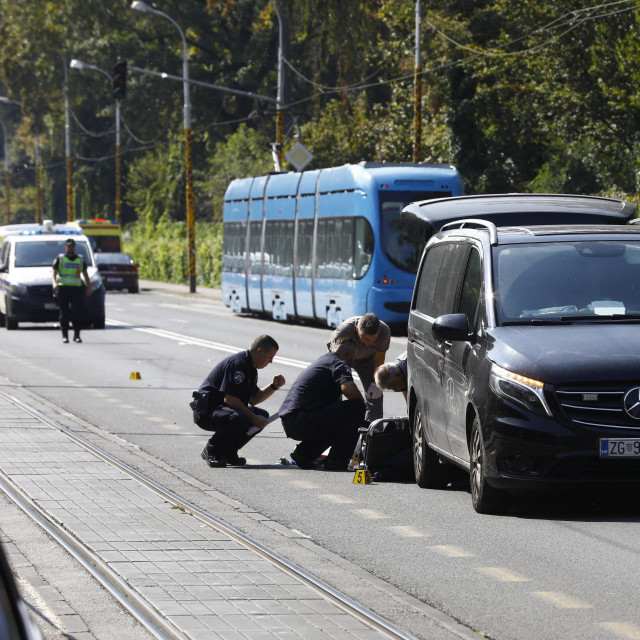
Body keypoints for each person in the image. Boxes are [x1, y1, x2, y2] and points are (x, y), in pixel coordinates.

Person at [193, 335, 285, 468]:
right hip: (207, 411)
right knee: (240, 417)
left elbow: (253, 399)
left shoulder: (250, 368)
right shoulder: (238, 364)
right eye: (270, 357)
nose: (270, 361)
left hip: (224, 410)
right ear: (259, 351)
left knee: (262, 416)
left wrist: (273, 386)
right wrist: (253, 418)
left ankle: (229, 452)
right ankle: (212, 450)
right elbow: (230, 399)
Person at [279, 338, 366, 471]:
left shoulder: (325, 360)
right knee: (357, 407)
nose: (354, 363)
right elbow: (348, 388)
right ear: (348, 353)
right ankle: (337, 460)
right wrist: (360, 405)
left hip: (292, 421)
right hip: (302, 419)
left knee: (344, 420)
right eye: (354, 358)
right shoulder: (339, 362)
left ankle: (304, 454)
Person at [329, 313, 390, 423]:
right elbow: (336, 361)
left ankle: (373, 432)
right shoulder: (344, 332)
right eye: (365, 338)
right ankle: (334, 425)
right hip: (343, 357)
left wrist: (374, 383)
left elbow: (379, 359)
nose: (368, 342)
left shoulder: (384, 332)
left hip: (367, 360)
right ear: (357, 330)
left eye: (372, 339)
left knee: (375, 395)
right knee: (335, 391)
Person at [52, 238, 92, 344]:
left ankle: (77, 336)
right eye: (69, 246)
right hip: (63, 289)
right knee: (64, 314)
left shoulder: (80, 259)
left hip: (77, 290)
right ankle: (65, 336)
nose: (71, 248)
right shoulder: (60, 259)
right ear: (65, 247)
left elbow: (85, 275)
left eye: (72, 246)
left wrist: (89, 287)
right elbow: (54, 273)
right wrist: (54, 284)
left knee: (77, 313)